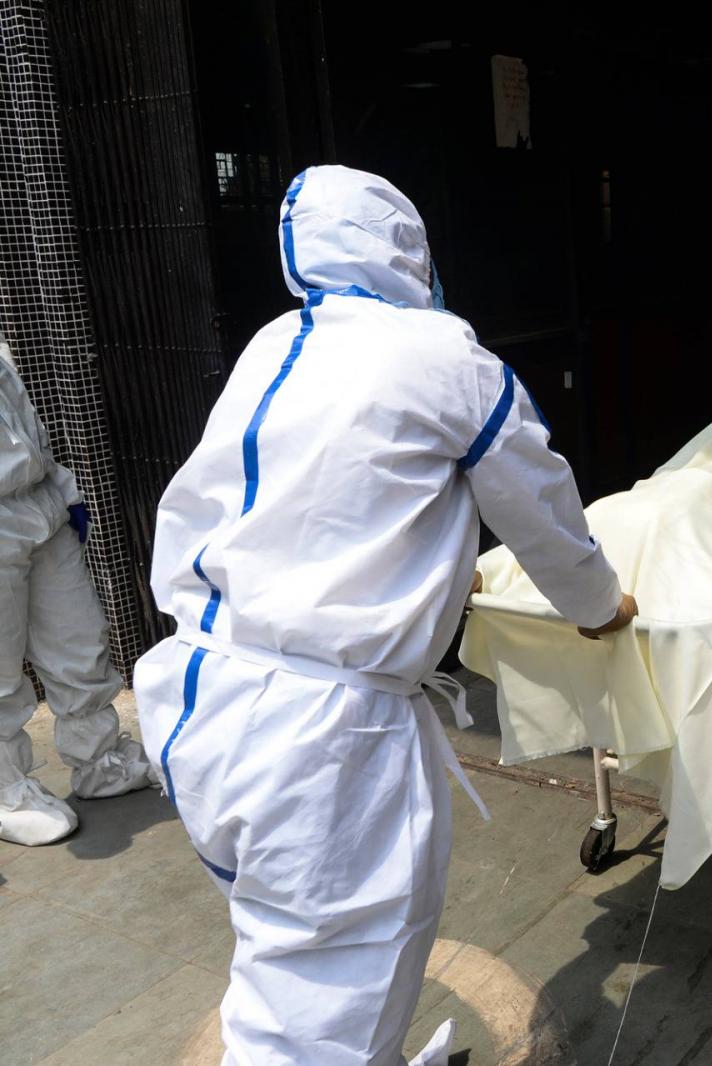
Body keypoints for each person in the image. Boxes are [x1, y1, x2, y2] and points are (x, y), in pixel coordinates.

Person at [133, 165, 637, 1066]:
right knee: (318, 1004)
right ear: (409, 253)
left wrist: (433, 572)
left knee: (289, 951)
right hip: (320, 735)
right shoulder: (446, 358)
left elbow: (318, 502)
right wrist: (601, 607)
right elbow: (543, 511)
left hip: (196, 697)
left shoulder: (274, 346)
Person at [0, 339, 156, 847]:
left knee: (80, 642)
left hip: (37, 502)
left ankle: (101, 762)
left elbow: (21, 421)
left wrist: (62, 488)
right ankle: (6, 793)